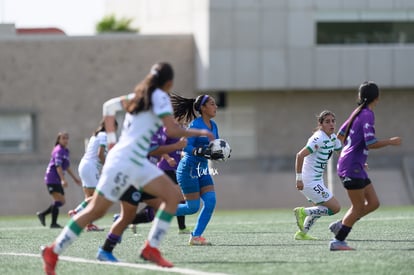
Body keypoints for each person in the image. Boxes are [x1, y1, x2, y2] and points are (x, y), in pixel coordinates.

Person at [41, 62, 214, 274]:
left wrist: (113, 142)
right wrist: (200, 134)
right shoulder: (160, 97)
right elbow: (171, 130)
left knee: (170, 196)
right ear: (169, 83)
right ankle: (53, 250)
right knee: (97, 210)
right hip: (127, 162)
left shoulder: (138, 97)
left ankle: (150, 248)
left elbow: (108, 108)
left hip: (132, 161)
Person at [329, 81, 402, 251]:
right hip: (352, 166)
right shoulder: (367, 114)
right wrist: (390, 142)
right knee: (359, 206)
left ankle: (341, 224)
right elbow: (370, 143)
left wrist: (347, 157)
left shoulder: (357, 113)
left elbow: (339, 136)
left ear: (360, 97)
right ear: (377, 97)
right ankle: (338, 241)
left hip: (354, 165)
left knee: (374, 203)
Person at [171, 93, 224, 246]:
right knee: (191, 207)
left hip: (202, 169)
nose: (216, 106)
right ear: (203, 108)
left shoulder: (214, 126)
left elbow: (215, 145)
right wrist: (197, 151)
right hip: (188, 169)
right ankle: (159, 210)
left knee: (210, 201)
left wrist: (219, 153)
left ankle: (196, 237)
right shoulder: (195, 125)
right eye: (212, 104)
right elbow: (184, 145)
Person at [293, 110, 342, 240]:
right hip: (308, 181)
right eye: (327, 122)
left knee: (320, 208)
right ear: (321, 124)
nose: (331, 124)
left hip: (317, 180)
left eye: (333, 121)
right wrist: (299, 179)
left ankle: (302, 233)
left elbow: (342, 153)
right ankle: (302, 212)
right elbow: (300, 155)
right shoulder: (318, 138)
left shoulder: (332, 138)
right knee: (335, 208)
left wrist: (357, 163)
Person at [68, 119, 117, 232]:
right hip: (90, 167)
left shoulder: (96, 135)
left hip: (85, 165)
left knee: (89, 197)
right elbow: (100, 154)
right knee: (98, 197)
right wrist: (107, 166)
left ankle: (89, 224)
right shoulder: (104, 135)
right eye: (114, 127)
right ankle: (76, 212)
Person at [36, 132, 82, 229]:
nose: (65, 140)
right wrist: (63, 179)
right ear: (59, 140)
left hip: (57, 179)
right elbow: (58, 166)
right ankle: (52, 223)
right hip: (52, 178)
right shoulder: (58, 150)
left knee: (61, 201)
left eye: (67, 138)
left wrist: (75, 179)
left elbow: (67, 166)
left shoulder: (66, 151)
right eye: (63, 138)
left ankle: (43, 215)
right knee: (59, 200)